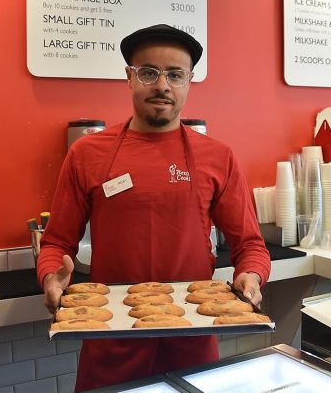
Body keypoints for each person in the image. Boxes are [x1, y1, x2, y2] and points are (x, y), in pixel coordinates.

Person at [37, 24, 271, 392]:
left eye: (175, 75)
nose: (162, 85)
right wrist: (51, 277)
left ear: (189, 81)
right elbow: (56, 243)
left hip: (193, 345)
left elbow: (250, 245)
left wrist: (252, 276)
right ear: (129, 77)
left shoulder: (218, 157)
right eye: (148, 72)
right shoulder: (87, 154)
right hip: (111, 347)